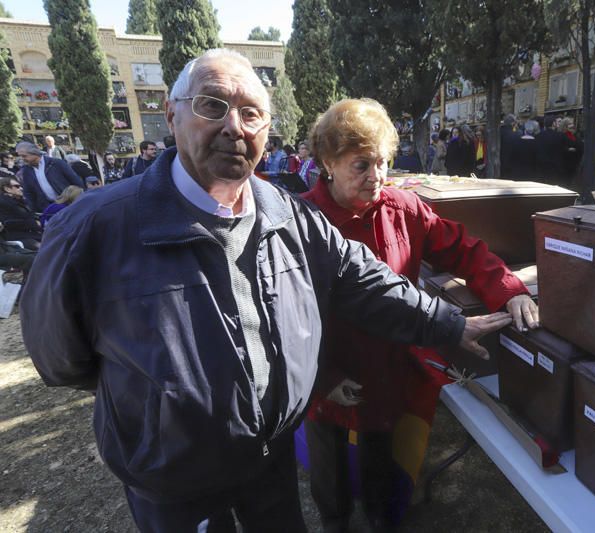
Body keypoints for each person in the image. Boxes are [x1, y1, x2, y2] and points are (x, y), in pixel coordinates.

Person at [20, 48, 510, 532]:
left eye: (251, 113)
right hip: (176, 482)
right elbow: (61, 359)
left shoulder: (288, 215)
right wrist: (159, 409)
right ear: (171, 115)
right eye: (213, 105)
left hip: (269, 461)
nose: (234, 126)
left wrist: (448, 323)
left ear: (266, 130)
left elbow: (363, 278)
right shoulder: (93, 228)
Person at [301, 98, 538, 531]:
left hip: (386, 369)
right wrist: (323, 379)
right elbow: (289, 320)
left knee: (380, 459)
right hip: (327, 370)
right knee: (329, 471)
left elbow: (465, 249)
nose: (378, 177)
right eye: (362, 165)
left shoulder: (403, 209)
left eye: (383, 163)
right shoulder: (302, 221)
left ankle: (379, 517)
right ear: (328, 162)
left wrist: (510, 291)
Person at [16, 141, 84, 212]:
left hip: (69, 204)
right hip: (48, 208)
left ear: (34, 153)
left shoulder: (56, 163)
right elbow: (28, 192)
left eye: (24, 156)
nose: (22, 159)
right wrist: (34, 210)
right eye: (20, 156)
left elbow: (76, 181)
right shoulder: (26, 170)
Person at [0, 176, 41, 250]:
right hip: (17, 236)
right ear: (7, 189)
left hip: (32, 232)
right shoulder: (3, 203)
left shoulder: (20, 200)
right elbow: (7, 223)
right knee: (46, 246)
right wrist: (34, 223)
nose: (21, 188)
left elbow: (30, 215)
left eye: (20, 186)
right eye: (17, 186)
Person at [533, 116, 568, 186]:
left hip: (541, 167)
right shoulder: (560, 136)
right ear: (553, 124)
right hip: (555, 168)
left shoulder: (538, 136)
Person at [561, 117, 583, 187]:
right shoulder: (562, 135)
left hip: (574, 163)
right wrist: (567, 149)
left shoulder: (575, 136)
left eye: (572, 124)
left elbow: (580, 146)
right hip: (565, 164)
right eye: (570, 124)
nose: (572, 126)